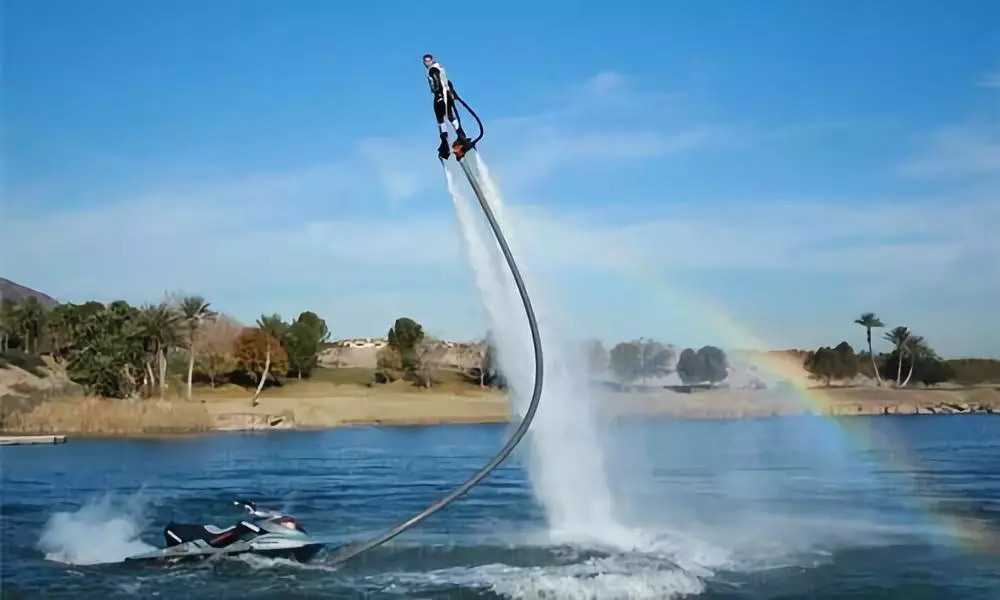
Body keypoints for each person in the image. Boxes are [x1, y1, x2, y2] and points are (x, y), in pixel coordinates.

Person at [424, 53, 469, 158]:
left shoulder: (432, 70)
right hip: (447, 96)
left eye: (428, 60)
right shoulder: (440, 68)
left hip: (440, 96)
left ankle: (445, 144)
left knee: (441, 120)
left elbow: (437, 83)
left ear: (432, 60)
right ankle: (461, 135)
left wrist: (438, 93)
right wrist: (451, 93)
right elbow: (448, 82)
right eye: (425, 61)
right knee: (451, 116)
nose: (427, 63)